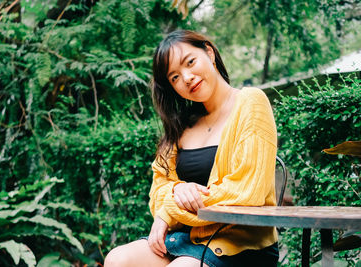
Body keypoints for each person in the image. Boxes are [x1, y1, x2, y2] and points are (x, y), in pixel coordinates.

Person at [104, 29, 279, 267]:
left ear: (209, 52)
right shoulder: (182, 124)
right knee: (117, 260)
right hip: (184, 239)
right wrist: (177, 190)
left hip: (239, 243)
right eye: (174, 77)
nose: (186, 78)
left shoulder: (250, 102)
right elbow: (158, 190)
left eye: (190, 62)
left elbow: (247, 191)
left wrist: (173, 207)